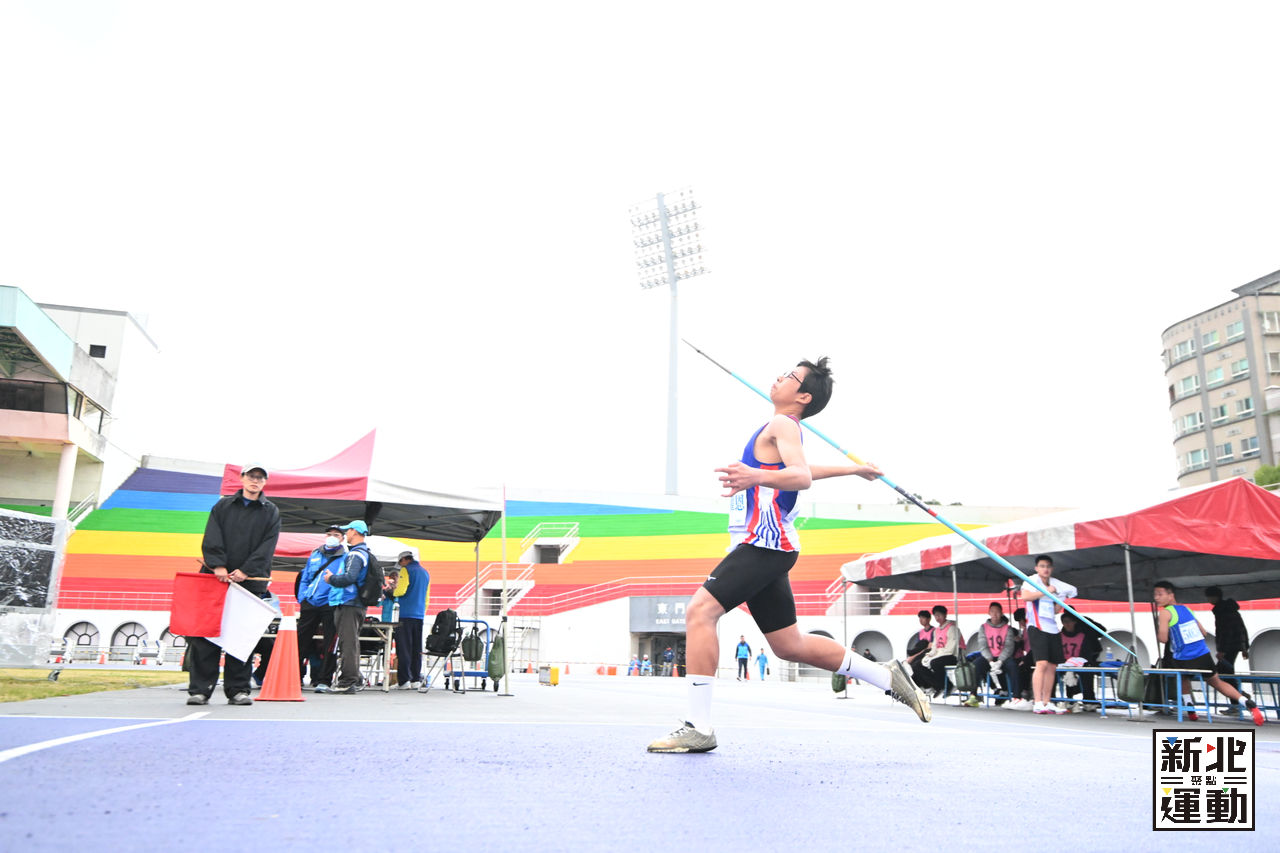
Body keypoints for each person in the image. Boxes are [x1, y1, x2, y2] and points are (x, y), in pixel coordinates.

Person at [647, 357, 930, 754]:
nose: (779, 377)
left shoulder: (782, 424)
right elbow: (802, 467)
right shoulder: (783, 428)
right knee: (789, 644)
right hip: (772, 547)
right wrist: (852, 470)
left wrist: (755, 475)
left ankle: (699, 727)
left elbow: (800, 476)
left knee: (700, 612)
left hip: (763, 544)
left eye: (790, 377)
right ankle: (886, 676)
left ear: (803, 396)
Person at [186, 464, 281, 707]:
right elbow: (211, 536)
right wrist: (217, 566)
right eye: (251, 476)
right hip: (214, 578)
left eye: (260, 478)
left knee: (241, 636)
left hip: (250, 582)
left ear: (265, 482)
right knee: (205, 635)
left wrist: (247, 570)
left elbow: (268, 546)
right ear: (242, 478)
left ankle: (238, 689)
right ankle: (200, 690)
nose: (255, 481)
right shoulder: (223, 506)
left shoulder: (271, 511)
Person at [1154, 581, 1263, 726]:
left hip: (1183, 657)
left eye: (1160, 594)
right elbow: (1203, 633)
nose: (1156, 598)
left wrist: (1166, 632)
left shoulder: (1165, 613)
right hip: (1203, 654)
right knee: (1217, 682)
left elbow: (1163, 639)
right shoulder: (1187, 609)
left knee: (1183, 678)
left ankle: (1190, 708)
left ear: (1170, 595)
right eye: (1155, 594)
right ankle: (1247, 703)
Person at [1020, 555, 1077, 715]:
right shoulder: (1031, 581)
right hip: (1037, 626)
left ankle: (1047, 701)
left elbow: (1056, 610)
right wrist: (1046, 591)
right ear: (1037, 568)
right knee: (1042, 664)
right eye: (1042, 566)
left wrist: (1060, 597)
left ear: (1051, 569)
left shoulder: (1055, 584)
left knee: (1052, 665)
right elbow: (1025, 597)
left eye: (1048, 566)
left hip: (1052, 627)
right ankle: (1037, 702)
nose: (1045, 569)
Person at [323, 520, 374, 694]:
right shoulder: (364, 553)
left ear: (355, 532)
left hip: (349, 602)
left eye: (348, 530)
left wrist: (331, 579)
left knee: (348, 643)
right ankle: (354, 677)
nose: (346, 534)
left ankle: (347, 681)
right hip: (356, 603)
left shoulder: (355, 554)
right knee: (351, 641)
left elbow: (349, 578)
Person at [295, 524, 344, 692]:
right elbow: (305, 577)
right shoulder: (315, 554)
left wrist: (335, 599)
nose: (332, 537)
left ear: (342, 539)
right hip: (310, 602)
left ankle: (324, 680)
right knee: (300, 640)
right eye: (329, 534)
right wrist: (303, 598)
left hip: (330, 604)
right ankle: (294, 676)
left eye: (336, 535)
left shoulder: (346, 557)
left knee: (330, 643)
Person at [967, 601, 1019, 708]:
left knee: (1013, 667)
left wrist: (1000, 661)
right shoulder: (983, 627)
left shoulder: (1007, 628)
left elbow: (1008, 646)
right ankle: (973, 695)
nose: (995, 614)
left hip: (1003, 658)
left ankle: (1016, 697)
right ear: (989, 613)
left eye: (997, 612)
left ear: (1001, 613)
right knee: (976, 665)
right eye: (992, 612)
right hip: (988, 657)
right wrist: (990, 661)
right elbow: (983, 645)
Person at [1205, 585, 1250, 708]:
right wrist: (1244, 648)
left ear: (1215, 597)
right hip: (1234, 646)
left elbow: (1225, 632)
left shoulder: (1222, 611)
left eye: (1209, 597)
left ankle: (1238, 701)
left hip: (1228, 648)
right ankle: (1240, 698)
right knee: (1225, 673)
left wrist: (1222, 650)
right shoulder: (1231, 609)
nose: (1208, 600)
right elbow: (1241, 629)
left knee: (1223, 674)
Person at [392, 550, 430, 690]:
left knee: (404, 648)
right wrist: (422, 611)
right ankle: (415, 679)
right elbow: (427, 596)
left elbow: (401, 590)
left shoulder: (406, 570)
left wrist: (393, 590)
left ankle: (404, 681)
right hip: (419, 614)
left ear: (404, 560)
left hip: (406, 613)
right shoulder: (425, 572)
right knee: (416, 648)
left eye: (400, 562)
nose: (401, 565)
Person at [1058, 612, 1101, 712]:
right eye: (1065, 622)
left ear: (1075, 622)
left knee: (1087, 673)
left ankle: (1088, 701)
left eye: (1070, 621)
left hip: (1079, 664)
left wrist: (1075, 662)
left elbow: (1086, 654)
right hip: (1063, 664)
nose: (1067, 624)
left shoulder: (1083, 636)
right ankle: (1065, 700)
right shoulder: (1058, 636)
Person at [919, 605, 959, 699]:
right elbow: (935, 646)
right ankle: (937, 686)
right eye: (936, 616)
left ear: (945, 615)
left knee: (935, 663)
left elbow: (950, 648)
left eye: (939, 615)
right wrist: (930, 655)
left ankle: (949, 685)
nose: (938, 618)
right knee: (919, 665)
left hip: (950, 656)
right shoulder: (937, 630)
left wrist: (935, 656)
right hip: (939, 655)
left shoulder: (952, 628)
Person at [1008, 607, 1034, 709]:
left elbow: (1032, 648)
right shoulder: (1025, 631)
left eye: (1021, 621)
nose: (1020, 623)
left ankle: (1025, 691)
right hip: (1028, 655)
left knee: (1022, 668)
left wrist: (1024, 660)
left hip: (1032, 656)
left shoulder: (1031, 629)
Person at [906, 610, 935, 691]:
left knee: (916, 664)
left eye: (923, 618)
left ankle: (925, 685)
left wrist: (914, 656)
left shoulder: (933, 631)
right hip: (920, 651)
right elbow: (918, 647)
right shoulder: (920, 632)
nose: (921, 620)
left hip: (927, 653)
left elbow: (929, 647)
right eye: (920, 618)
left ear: (929, 619)